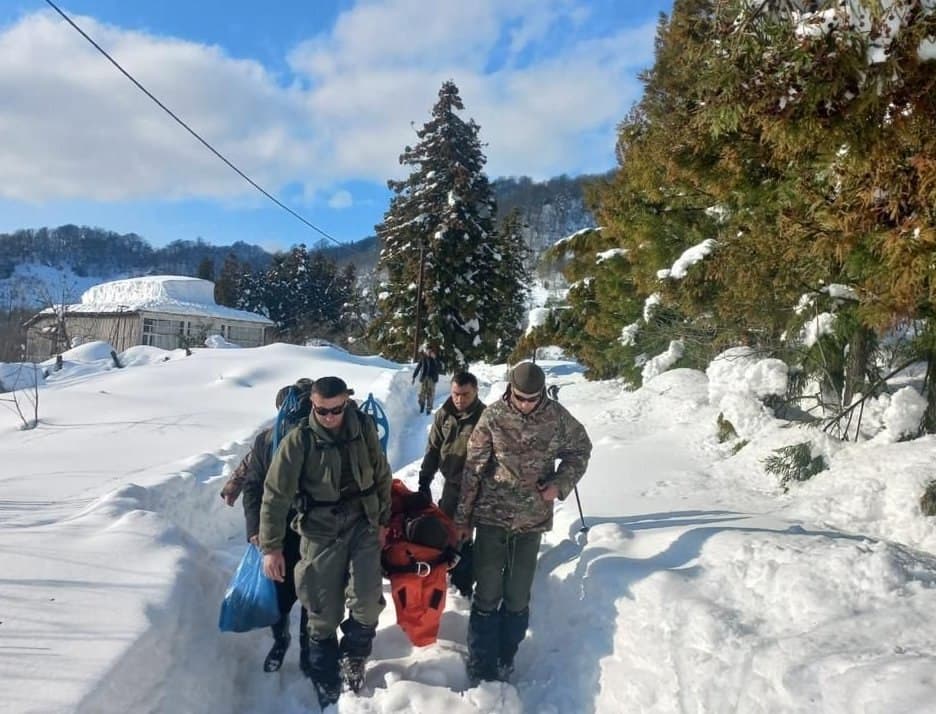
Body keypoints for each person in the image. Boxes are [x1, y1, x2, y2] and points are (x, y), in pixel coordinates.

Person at [453, 362, 592, 685]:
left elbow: (580, 450)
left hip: (532, 520)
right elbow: (473, 470)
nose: (527, 404)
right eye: (521, 397)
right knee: (487, 593)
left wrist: (560, 483)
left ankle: (505, 657)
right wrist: (463, 520)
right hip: (491, 517)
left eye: (533, 398)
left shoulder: (557, 417)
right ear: (509, 390)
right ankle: (481, 663)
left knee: (517, 596)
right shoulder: (493, 417)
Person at [259, 376, 392, 708]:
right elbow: (274, 496)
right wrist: (271, 547)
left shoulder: (361, 428)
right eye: (322, 411)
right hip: (319, 529)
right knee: (321, 610)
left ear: (346, 402)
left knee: (366, 598)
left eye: (336, 410)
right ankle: (324, 678)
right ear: (313, 406)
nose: (330, 417)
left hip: (362, 521)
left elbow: (381, 473)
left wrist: (383, 520)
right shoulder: (298, 441)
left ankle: (354, 656)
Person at [241, 380, 312, 674]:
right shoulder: (267, 441)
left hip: (313, 529)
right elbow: (253, 487)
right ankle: (280, 639)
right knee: (280, 593)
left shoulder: (318, 438)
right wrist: (256, 528)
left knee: (314, 593)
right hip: (278, 530)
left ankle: (310, 650)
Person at [417, 371, 485, 596]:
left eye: (465, 394)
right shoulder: (444, 414)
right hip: (451, 484)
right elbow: (433, 449)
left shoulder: (485, 418)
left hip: (478, 488)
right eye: (456, 394)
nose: (459, 399)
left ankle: (464, 584)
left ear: (475, 391)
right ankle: (445, 576)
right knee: (446, 531)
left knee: (467, 535)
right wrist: (424, 480)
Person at [381, 479, 460, 647]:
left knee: (416, 603)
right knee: (424, 603)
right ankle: (422, 641)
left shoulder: (401, 504)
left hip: (412, 557)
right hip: (425, 556)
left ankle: (420, 641)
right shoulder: (411, 503)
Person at [412, 346, 441, 414]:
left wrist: (435, 359)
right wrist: (414, 376)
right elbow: (418, 367)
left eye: (430, 351)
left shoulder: (435, 358)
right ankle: (422, 405)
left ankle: (429, 409)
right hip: (424, 378)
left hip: (432, 379)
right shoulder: (423, 358)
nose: (429, 352)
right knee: (421, 394)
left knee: (431, 394)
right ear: (426, 351)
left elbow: (439, 367)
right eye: (428, 351)